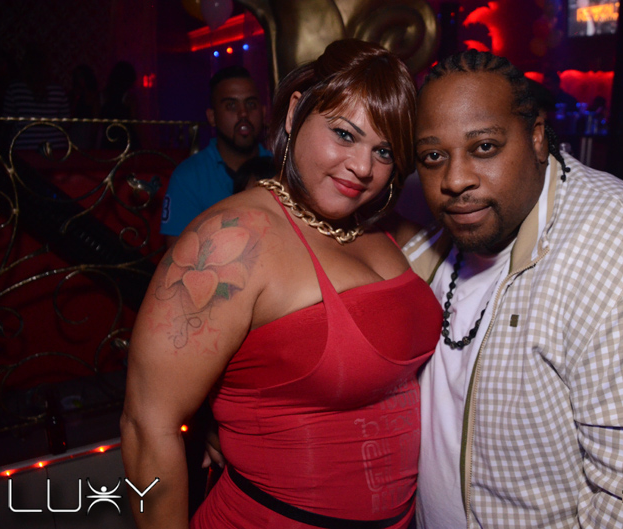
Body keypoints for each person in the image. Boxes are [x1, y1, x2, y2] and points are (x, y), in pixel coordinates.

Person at [121, 39, 441, 529]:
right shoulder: (231, 239)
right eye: (344, 134)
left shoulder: (384, 229)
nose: (362, 168)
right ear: (295, 113)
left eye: (383, 151)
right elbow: (148, 425)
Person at [403, 50, 623, 528]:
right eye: (434, 156)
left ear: (537, 136)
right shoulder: (438, 238)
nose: (455, 179)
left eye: (485, 147)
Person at [160, 66, 272, 247]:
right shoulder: (188, 177)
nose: (243, 114)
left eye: (251, 104)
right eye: (231, 106)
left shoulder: (281, 170)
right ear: (212, 117)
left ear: (264, 112)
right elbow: (177, 255)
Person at [2, 46, 70, 151]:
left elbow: (7, 121)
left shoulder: (15, 89)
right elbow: (65, 122)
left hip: (24, 143)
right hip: (55, 144)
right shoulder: (58, 90)